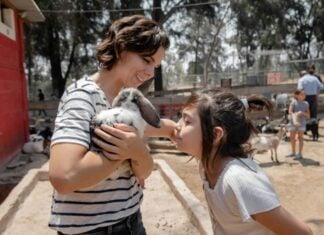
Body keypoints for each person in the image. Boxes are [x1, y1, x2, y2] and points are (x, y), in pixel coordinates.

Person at [48, 15, 175, 235]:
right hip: (91, 230)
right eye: (146, 59)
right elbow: (64, 177)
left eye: (155, 65)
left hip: (132, 220)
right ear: (121, 48)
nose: (150, 72)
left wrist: (139, 152)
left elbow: (143, 172)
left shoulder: (128, 102)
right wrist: (126, 150)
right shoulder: (83, 97)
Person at [173, 89, 313, 235]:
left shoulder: (239, 180)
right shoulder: (207, 163)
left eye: (186, 121)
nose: (177, 125)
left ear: (216, 135)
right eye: (180, 118)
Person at [286, 90, 310, 160]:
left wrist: (302, 113)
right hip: (293, 122)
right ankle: (293, 152)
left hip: (301, 123)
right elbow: (290, 112)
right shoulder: (293, 102)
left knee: (300, 138)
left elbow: (308, 115)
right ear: (297, 95)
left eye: (304, 94)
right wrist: (296, 114)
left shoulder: (306, 103)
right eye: (302, 94)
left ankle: (299, 153)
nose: (304, 96)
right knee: (292, 137)